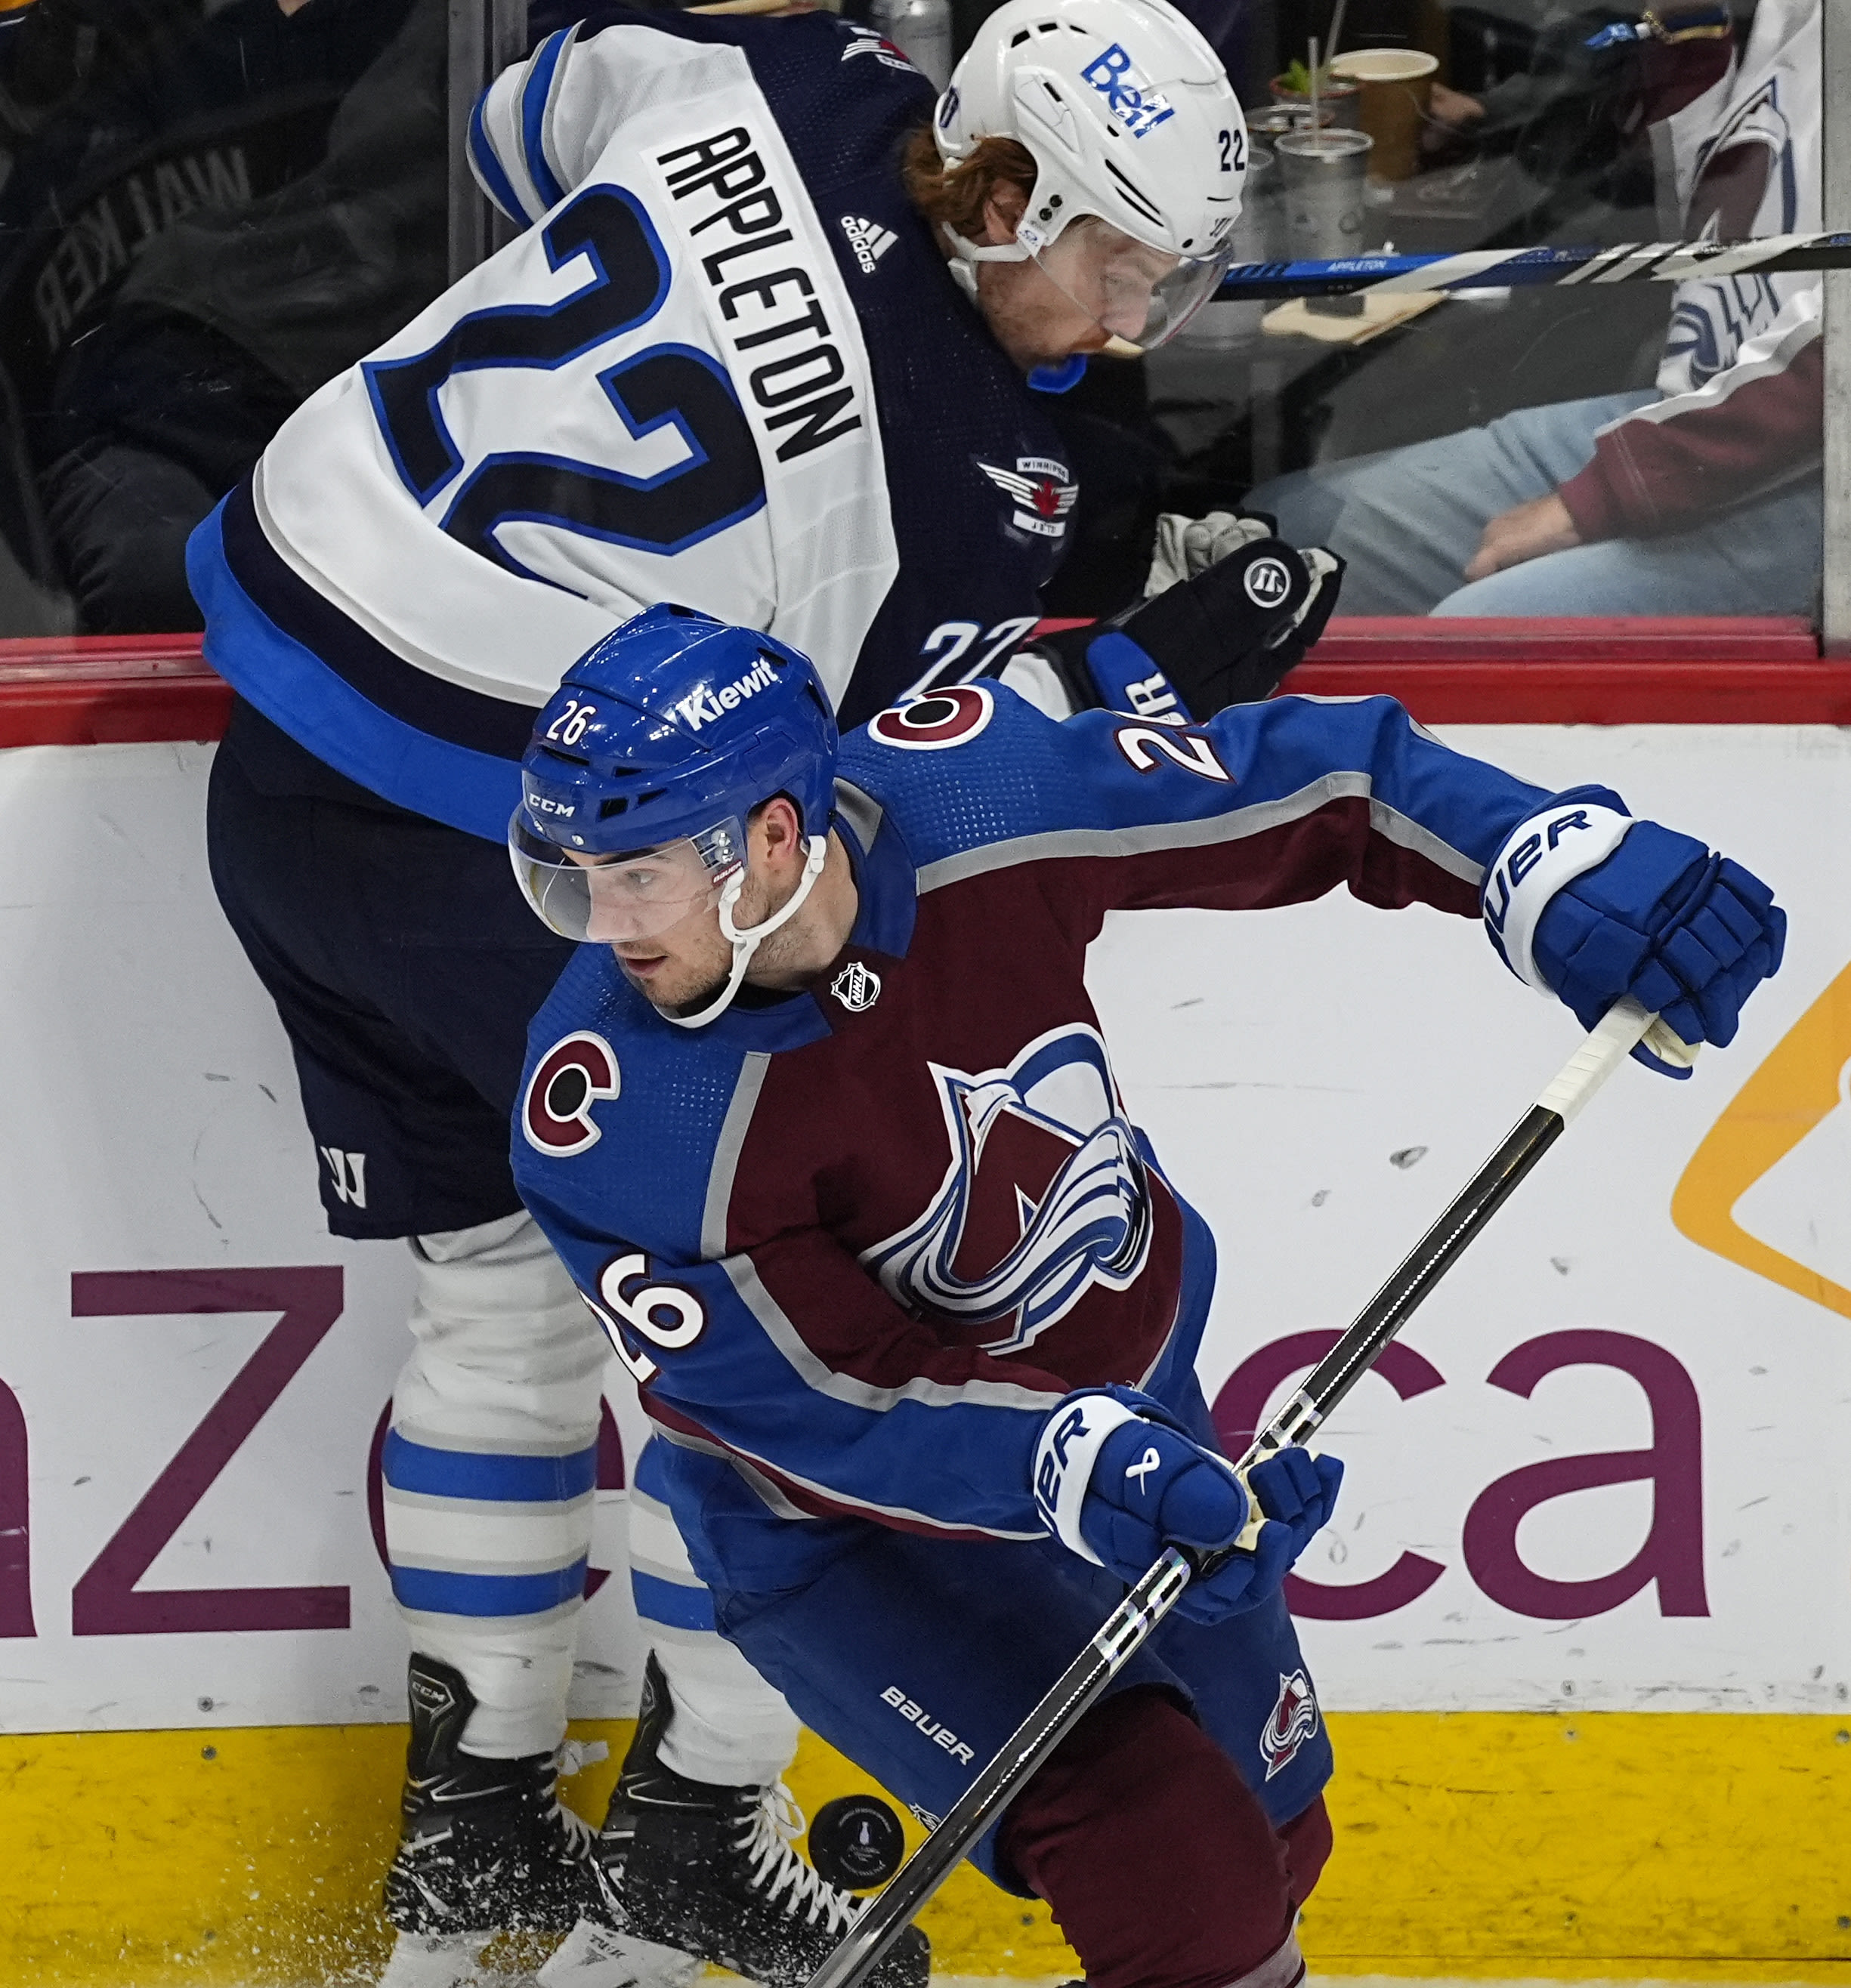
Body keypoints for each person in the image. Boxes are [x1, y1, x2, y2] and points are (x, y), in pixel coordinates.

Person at [189, 2, 1341, 1982]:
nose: (1134, 321)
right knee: (815, 1363)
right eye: (1116, 260)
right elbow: (888, 785)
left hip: (287, 754)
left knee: (490, 1294)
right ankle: (697, 1823)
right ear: (996, 193)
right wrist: (1175, 654)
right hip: (539, 850)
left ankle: (475, 1834)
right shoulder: (973, 484)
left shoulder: (793, 73)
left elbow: (521, 112)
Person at [502, 604, 1784, 1988]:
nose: (604, 921)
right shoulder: (616, 1113)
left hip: (1129, 1420)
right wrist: (1074, 1459)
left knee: (1277, 1834)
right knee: (1182, 1875)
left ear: (770, 836)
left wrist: (1539, 857)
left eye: (638, 874)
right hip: (857, 1541)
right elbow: (818, 1403)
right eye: (578, 872)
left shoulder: (979, 795)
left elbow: (1323, 781)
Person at [1246, 0, 1820, 619]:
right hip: (1707, 401)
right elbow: (1662, 171)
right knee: (1291, 529)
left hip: (1812, 471)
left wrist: (1609, 493)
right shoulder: (1770, 18)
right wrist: (1503, 115)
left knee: (1474, 644)